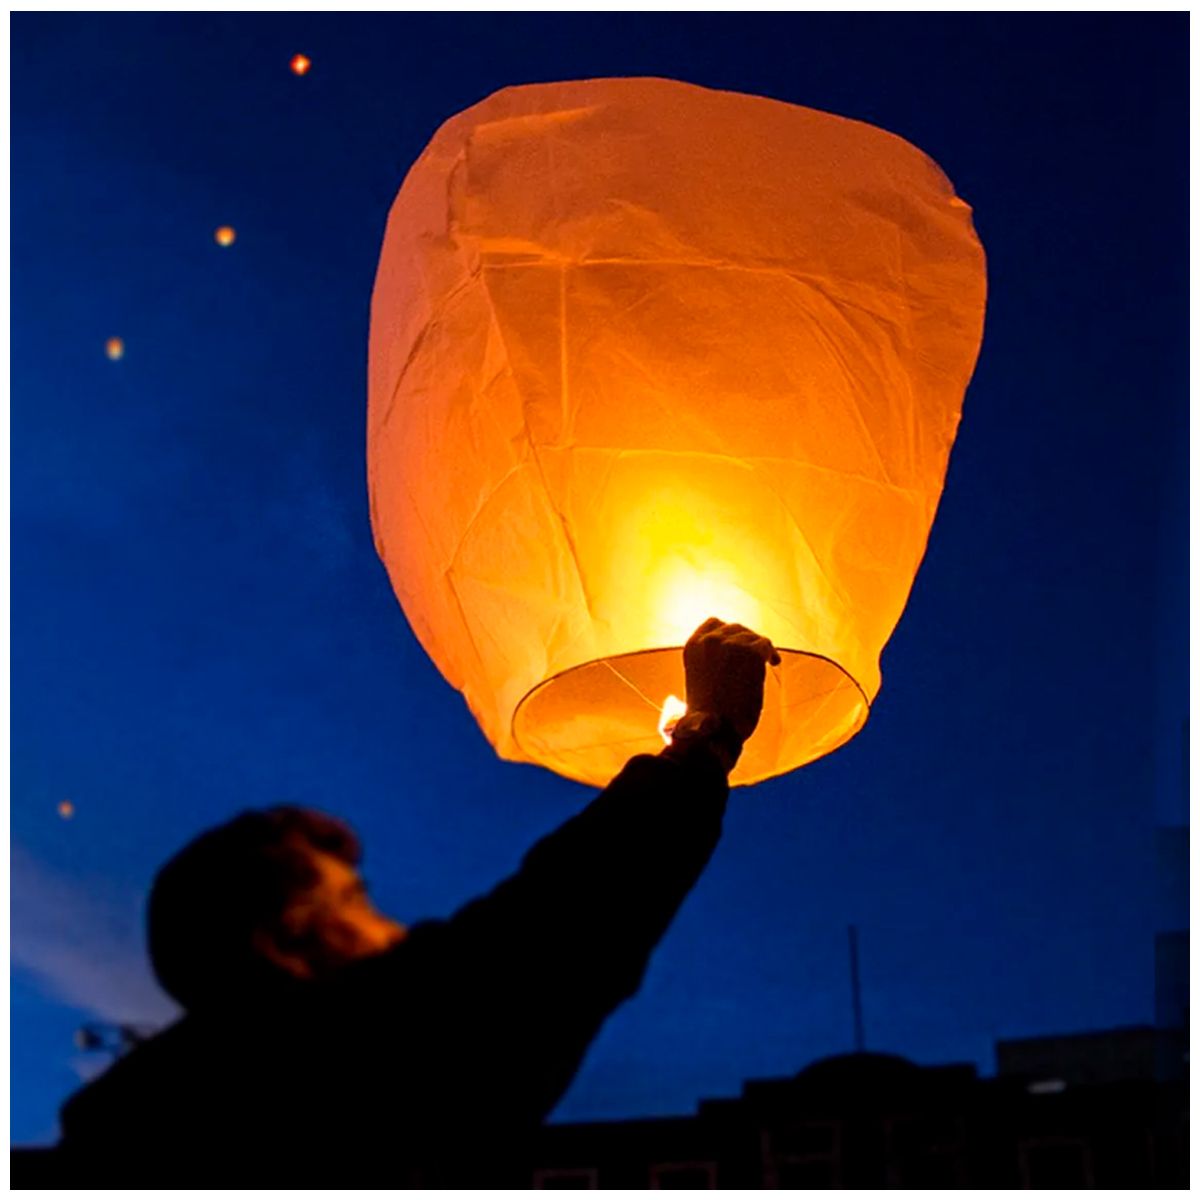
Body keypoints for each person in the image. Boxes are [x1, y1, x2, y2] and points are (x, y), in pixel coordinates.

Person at [54, 618, 780, 1188]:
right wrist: (704, 734)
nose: (394, 929)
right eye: (355, 900)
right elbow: (554, 928)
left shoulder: (122, 1141)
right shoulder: (336, 1068)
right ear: (285, 940)